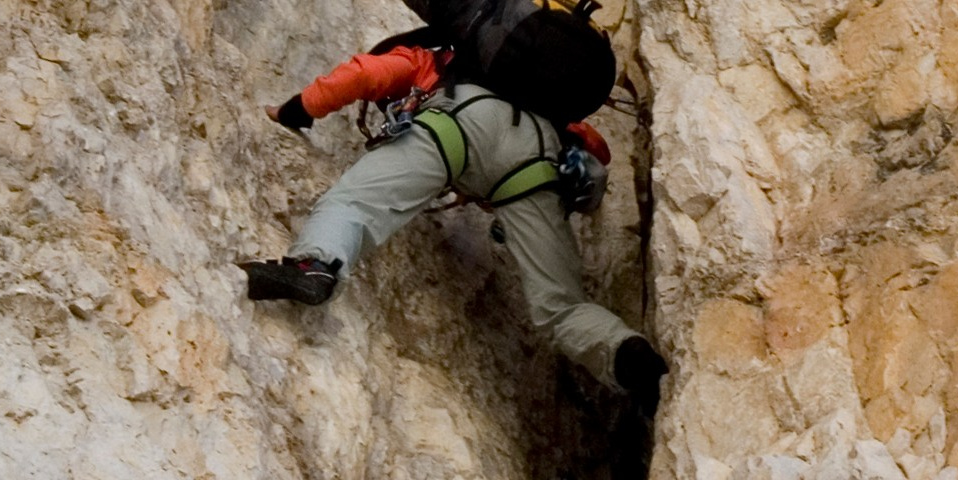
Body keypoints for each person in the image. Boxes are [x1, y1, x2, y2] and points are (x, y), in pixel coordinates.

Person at [238, 33, 666, 412]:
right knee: (561, 305)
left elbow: (364, 73)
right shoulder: (546, 99)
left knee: (352, 204)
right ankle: (627, 356)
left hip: (453, 126)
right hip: (534, 159)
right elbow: (596, 152)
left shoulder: (432, 59)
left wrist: (298, 110)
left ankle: (315, 265)